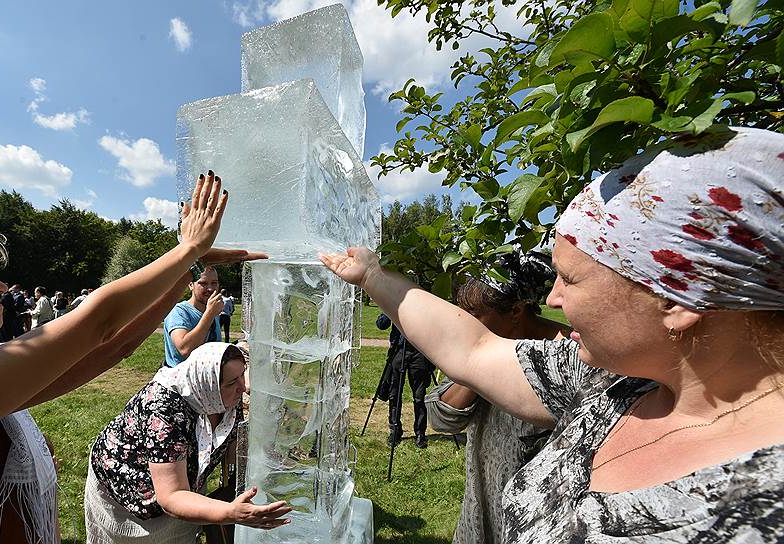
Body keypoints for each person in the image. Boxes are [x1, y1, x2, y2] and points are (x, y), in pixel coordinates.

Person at [321, 127, 784, 542]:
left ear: (677, 300)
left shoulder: (758, 509)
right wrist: (372, 277)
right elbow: (474, 348)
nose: (555, 299)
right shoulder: (615, 384)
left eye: (572, 279)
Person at [0, 172, 266, 543]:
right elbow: (97, 326)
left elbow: (110, 347)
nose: (0, 285)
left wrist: (186, 267)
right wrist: (185, 251)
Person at [425, 252, 567, 544]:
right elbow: (441, 417)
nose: (463, 323)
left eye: (474, 315)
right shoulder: (483, 352)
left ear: (516, 311)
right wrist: (479, 367)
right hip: (478, 518)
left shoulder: (566, 358)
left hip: (536, 527)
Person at [86, 342, 290, 543]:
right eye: (231, 383)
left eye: (241, 376)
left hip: (181, 490)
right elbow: (172, 497)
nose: (243, 387)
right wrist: (230, 512)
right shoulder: (164, 412)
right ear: (207, 385)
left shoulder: (222, 397)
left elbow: (223, 445)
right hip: (128, 498)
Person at [375, 313, 434, 448]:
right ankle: (395, 429)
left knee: (419, 397)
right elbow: (381, 325)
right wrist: (390, 309)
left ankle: (420, 433)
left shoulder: (422, 301)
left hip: (419, 352)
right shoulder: (395, 300)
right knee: (394, 394)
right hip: (399, 351)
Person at [163, 266, 223, 367]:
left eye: (214, 283)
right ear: (191, 285)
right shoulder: (179, 312)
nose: (210, 288)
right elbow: (185, 349)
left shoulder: (212, 311)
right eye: (203, 283)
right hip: (181, 379)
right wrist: (209, 315)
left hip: (207, 377)